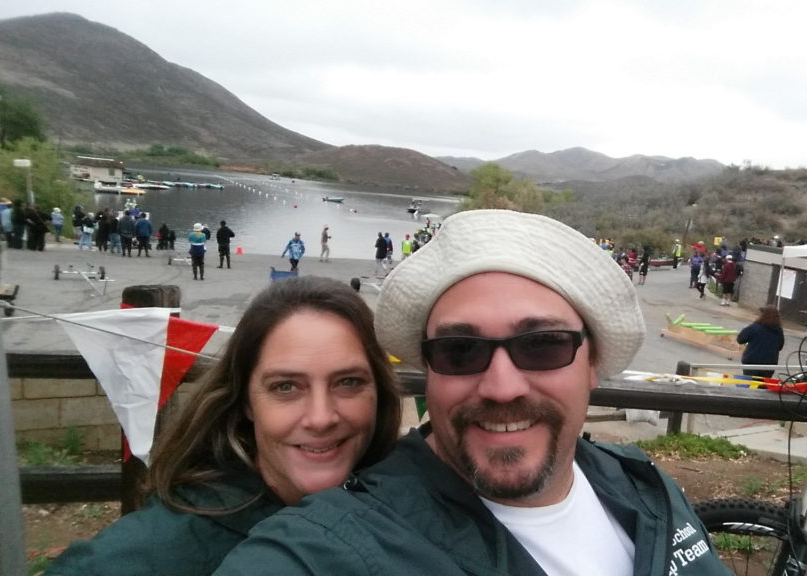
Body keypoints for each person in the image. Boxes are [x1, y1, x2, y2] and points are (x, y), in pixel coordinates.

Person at [216, 209, 729, 576]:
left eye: (542, 345)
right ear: (431, 371)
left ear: (592, 362)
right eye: (461, 351)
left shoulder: (643, 483)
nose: (502, 387)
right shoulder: (334, 547)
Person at [46, 276, 402, 576]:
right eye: (286, 387)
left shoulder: (406, 506)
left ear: (379, 392)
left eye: (349, 382)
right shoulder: (155, 552)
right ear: (246, 400)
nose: (321, 417)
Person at [736, 305, 785, 378]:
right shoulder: (779, 331)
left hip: (752, 363)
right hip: (769, 366)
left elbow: (740, 339)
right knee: (764, 387)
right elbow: (780, 347)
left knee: (750, 386)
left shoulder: (755, 327)